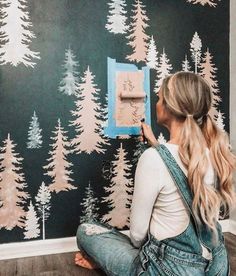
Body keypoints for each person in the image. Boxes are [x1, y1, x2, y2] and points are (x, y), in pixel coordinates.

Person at [74, 71, 235, 275]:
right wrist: (156, 145)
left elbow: (137, 236)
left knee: (87, 230)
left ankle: (105, 262)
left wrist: (156, 151)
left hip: (166, 270)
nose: (156, 103)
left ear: (169, 106)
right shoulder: (211, 153)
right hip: (215, 268)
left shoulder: (153, 159)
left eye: (159, 97)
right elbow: (179, 169)